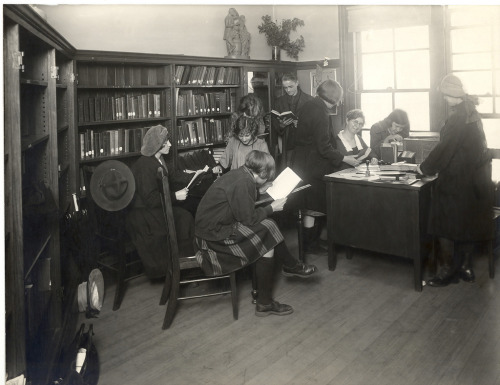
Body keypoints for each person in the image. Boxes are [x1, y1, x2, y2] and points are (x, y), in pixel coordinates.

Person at [194, 150, 317, 317]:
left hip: (215, 228)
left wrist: (260, 188)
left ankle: (269, 296)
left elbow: (240, 203)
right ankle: (286, 271)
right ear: (263, 173)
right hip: (214, 237)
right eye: (267, 177)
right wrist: (272, 207)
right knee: (268, 226)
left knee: (268, 229)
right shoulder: (244, 182)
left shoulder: (241, 174)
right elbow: (248, 219)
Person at [417, 74, 493, 287]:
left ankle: (447, 271)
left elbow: (445, 148)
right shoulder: (471, 112)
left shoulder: (457, 118)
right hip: (475, 179)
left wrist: (424, 167)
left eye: (445, 95)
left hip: (456, 178)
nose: (444, 98)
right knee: (465, 223)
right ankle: (466, 268)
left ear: (450, 95)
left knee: (444, 224)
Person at [292, 79, 360, 249]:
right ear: (333, 98)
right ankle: (311, 244)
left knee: (309, 205)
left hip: (301, 162)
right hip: (313, 165)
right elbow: (324, 148)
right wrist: (345, 159)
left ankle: (310, 242)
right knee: (315, 204)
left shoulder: (309, 105)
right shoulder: (321, 113)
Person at [125, 125, 195, 279]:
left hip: (154, 208)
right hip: (144, 215)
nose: (169, 144)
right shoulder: (145, 165)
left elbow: (173, 177)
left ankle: (184, 265)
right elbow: (150, 199)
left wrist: (197, 175)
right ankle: (180, 267)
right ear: (157, 145)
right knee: (185, 218)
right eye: (166, 142)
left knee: (187, 213)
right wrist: (175, 196)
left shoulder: (158, 158)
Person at [272, 72, 314, 168]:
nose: (288, 90)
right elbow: (275, 124)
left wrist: (301, 124)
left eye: (290, 86)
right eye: (285, 88)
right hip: (287, 143)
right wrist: (282, 125)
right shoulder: (279, 101)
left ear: (297, 83)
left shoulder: (310, 100)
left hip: (305, 144)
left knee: (304, 171)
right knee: (288, 171)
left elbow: (315, 125)